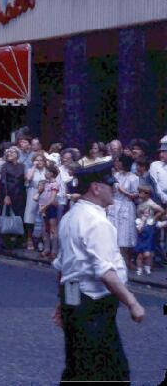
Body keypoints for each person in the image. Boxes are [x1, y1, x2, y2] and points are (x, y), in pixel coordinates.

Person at [52, 161, 145, 382]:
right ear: (96, 188)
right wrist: (132, 303)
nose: (114, 189)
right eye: (110, 185)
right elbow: (106, 272)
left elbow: (65, 267)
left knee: (77, 364)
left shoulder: (70, 217)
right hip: (94, 304)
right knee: (110, 371)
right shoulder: (97, 222)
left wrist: (64, 303)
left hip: (73, 293)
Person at [108, 155, 138, 270]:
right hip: (115, 205)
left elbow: (135, 195)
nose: (117, 163)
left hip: (126, 205)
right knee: (114, 233)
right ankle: (115, 260)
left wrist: (123, 191)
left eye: (119, 161)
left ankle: (126, 260)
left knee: (124, 234)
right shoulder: (116, 175)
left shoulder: (133, 178)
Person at [0, 146, 27, 249]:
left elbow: (24, 180)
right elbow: (3, 181)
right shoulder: (4, 166)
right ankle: (4, 241)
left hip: (20, 195)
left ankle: (17, 240)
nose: (10, 154)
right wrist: (6, 195)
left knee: (18, 217)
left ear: (17, 154)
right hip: (7, 194)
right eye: (8, 153)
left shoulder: (22, 166)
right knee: (6, 216)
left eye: (12, 152)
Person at [134, 185, 163, 276]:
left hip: (148, 227)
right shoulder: (141, 201)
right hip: (140, 226)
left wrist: (154, 218)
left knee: (148, 251)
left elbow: (161, 210)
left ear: (147, 194)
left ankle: (147, 267)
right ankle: (140, 268)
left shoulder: (150, 203)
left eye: (141, 192)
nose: (139, 194)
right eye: (139, 192)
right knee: (140, 251)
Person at [36, 164, 60, 259]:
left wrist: (44, 207)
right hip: (43, 207)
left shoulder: (55, 184)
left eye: (47, 172)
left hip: (50, 208)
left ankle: (54, 250)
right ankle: (46, 249)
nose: (45, 173)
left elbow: (52, 199)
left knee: (53, 229)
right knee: (45, 229)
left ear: (51, 173)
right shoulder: (45, 183)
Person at [24, 154, 47, 250]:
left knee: (43, 216)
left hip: (45, 193)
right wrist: (34, 166)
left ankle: (41, 240)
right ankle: (29, 239)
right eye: (37, 160)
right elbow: (28, 178)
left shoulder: (47, 170)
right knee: (30, 215)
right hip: (33, 191)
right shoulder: (31, 169)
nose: (39, 162)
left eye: (41, 160)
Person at [148, 136, 167, 206]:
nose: (161, 154)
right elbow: (156, 186)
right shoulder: (155, 165)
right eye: (161, 151)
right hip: (158, 203)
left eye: (164, 152)